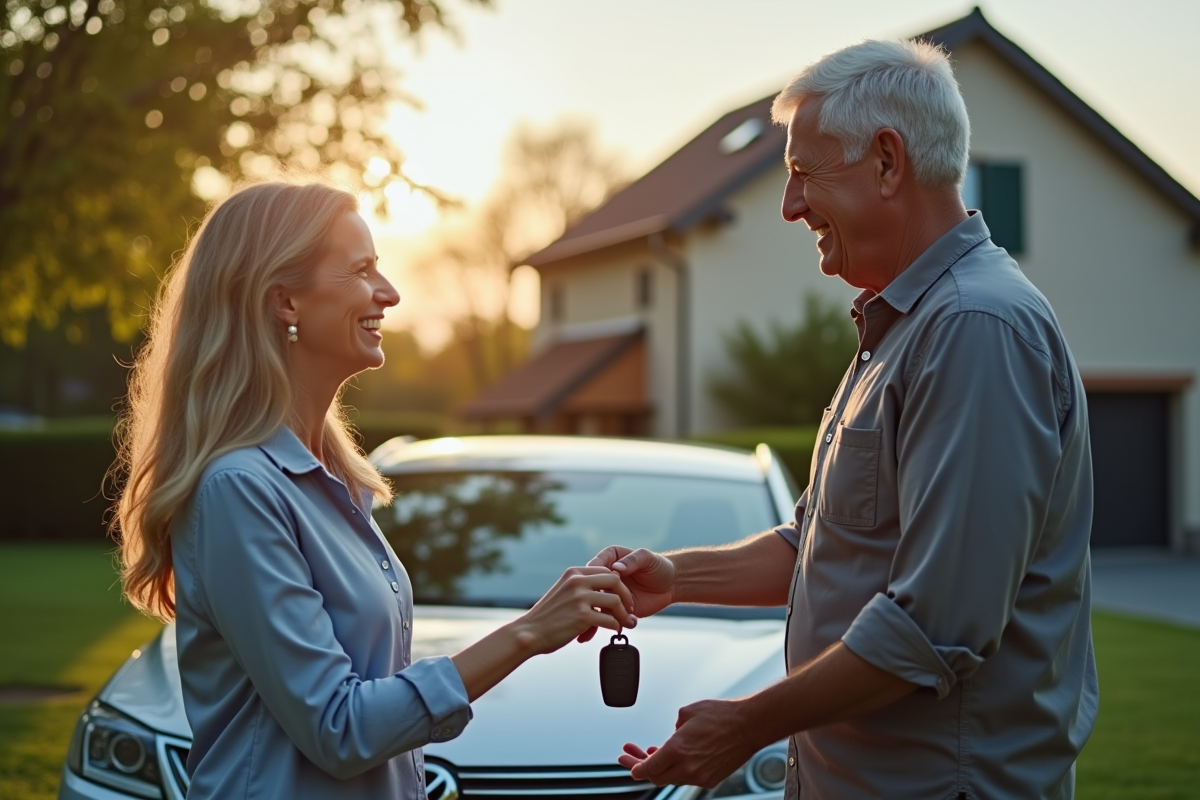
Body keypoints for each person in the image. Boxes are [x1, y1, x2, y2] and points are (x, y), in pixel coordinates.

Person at [588, 39, 1097, 799]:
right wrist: (675, 577)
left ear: (888, 163)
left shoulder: (975, 329)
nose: (791, 207)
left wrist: (745, 724)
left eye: (802, 176)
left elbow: (935, 627)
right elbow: (818, 547)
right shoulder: (904, 326)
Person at [114, 181, 635, 800]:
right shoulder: (238, 490)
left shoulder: (332, 482)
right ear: (285, 302)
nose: (388, 294)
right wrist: (529, 632)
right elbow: (339, 729)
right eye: (362, 271)